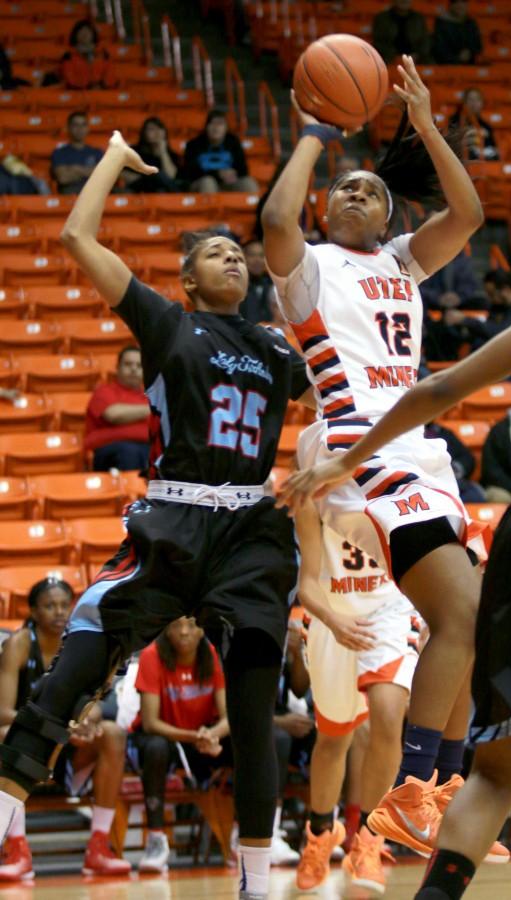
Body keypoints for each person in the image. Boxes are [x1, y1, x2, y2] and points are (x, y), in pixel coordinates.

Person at [0, 130, 313, 900]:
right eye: (216, 253)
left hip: (249, 532)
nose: (234, 258)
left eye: (239, 252)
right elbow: (77, 235)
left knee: (254, 705)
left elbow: (347, 395)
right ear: (188, 278)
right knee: (68, 676)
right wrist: (112, 156)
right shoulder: (169, 321)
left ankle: (256, 882)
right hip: (172, 522)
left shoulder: (278, 351)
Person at [261, 56, 507, 864]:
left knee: (476, 627)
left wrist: (428, 123)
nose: (352, 193)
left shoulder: (403, 260)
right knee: (460, 617)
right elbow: (274, 222)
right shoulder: (310, 274)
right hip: (365, 452)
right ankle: (408, 791)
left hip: (423, 453)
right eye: (343, 187)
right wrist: (314, 136)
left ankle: (431, 788)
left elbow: (468, 213)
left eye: (369, 187)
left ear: (392, 211)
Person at [279, 282, 511, 900]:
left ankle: (420, 791)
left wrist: (349, 459)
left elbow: (436, 390)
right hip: (342, 608)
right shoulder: (324, 466)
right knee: (338, 733)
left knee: (491, 763)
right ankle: (365, 811)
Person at [294, 499, 421, 894]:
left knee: (387, 713)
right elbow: (307, 586)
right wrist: (334, 622)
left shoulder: (399, 479)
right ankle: (319, 835)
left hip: (390, 611)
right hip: (331, 616)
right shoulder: (314, 493)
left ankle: (369, 838)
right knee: (333, 738)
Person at [0, 578, 129, 880]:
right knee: (5, 734)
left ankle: (99, 847)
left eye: (64, 605)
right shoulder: (19, 645)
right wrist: (54, 728)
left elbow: (102, 701)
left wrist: (89, 717)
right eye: (49, 605)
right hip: (29, 745)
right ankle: (16, 848)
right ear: (33, 610)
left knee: (112, 734)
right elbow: (3, 711)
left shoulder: (83, 643)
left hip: (69, 750)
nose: (59, 612)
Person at [130, 616, 229, 874]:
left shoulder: (211, 653)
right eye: (177, 625)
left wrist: (211, 735)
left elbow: (229, 717)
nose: (184, 632)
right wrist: (196, 737)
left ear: (202, 629)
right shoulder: (152, 655)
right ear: (166, 628)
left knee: (248, 741)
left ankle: (245, 834)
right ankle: (155, 838)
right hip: (163, 737)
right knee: (155, 747)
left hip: (202, 738)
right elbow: (151, 723)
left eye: (192, 625)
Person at [271, 620, 313, 866]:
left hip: (280, 719)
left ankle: (321, 829)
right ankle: (270, 830)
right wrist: (280, 722)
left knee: (323, 735)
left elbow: (299, 690)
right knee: (278, 738)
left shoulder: (285, 636)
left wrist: (296, 653)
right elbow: (240, 712)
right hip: (245, 730)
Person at [84, 345, 151, 472]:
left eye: (139, 365)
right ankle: (128, 491)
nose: (133, 369)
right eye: (128, 364)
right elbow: (114, 415)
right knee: (129, 451)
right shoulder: (104, 391)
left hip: (146, 449)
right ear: (118, 368)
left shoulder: (150, 395)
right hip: (110, 451)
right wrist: (152, 408)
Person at [183, 109, 259, 194]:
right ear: (206, 127)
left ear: (226, 128)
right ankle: (211, 207)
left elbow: (243, 169)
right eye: (212, 123)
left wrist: (233, 173)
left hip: (228, 183)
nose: (216, 128)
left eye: (220, 124)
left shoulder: (233, 142)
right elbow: (191, 173)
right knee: (208, 183)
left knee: (249, 183)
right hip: (202, 183)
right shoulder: (193, 145)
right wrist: (218, 174)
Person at [123, 117, 184, 194]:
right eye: (151, 129)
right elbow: (123, 173)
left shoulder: (172, 155)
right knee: (156, 175)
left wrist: (163, 152)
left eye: (160, 128)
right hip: (140, 187)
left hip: (163, 190)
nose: (157, 132)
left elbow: (171, 176)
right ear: (144, 133)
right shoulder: (134, 151)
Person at [55, 19, 118, 90]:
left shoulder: (103, 54)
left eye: (88, 31)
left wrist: (102, 85)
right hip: (77, 94)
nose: (84, 34)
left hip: (102, 92)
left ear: (93, 34)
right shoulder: (68, 56)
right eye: (81, 31)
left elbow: (110, 72)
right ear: (75, 35)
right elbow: (68, 76)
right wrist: (87, 87)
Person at [51, 111, 103, 195]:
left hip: (94, 192)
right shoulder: (59, 153)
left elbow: (102, 176)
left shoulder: (97, 152)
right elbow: (63, 178)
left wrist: (76, 169)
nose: (80, 129)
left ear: (88, 128)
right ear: (68, 128)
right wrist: (89, 171)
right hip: (70, 193)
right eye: (76, 125)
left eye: (83, 125)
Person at [372, 0, 430, 65]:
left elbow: (425, 42)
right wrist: (393, 56)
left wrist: (418, 55)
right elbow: (379, 42)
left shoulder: (419, 18)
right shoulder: (382, 18)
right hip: (388, 59)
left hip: (416, 59)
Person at [449, 88, 499, 160]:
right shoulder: (454, 120)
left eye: (477, 99)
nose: (474, 103)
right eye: (470, 99)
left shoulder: (486, 126)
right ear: (464, 102)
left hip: (482, 161)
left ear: (482, 103)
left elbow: (492, 147)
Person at [432, 1, 482, 66]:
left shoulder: (471, 23)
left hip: (470, 62)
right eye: (457, 4)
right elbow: (439, 48)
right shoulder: (441, 23)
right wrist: (457, 57)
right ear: (451, 6)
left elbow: (478, 45)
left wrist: (469, 52)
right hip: (446, 63)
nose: (460, 7)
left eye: (463, 4)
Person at [238, 240, 276, 324]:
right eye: (252, 255)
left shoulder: (272, 285)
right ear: (243, 257)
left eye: (261, 255)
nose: (257, 260)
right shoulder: (235, 287)